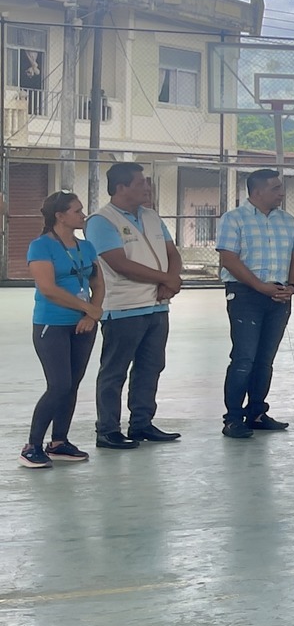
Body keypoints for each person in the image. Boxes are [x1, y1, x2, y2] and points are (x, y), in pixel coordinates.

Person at [85, 163, 182, 449]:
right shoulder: (101, 221)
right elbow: (119, 263)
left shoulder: (151, 216)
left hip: (157, 306)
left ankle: (141, 423)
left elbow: (172, 253)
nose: (147, 188)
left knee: (151, 367)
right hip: (124, 307)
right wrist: (165, 279)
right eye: (141, 183)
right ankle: (108, 430)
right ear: (121, 187)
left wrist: (170, 280)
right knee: (114, 371)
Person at [216, 167, 294, 439]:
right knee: (244, 358)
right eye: (276, 188)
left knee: (265, 359)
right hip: (246, 295)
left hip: (279, 296)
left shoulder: (287, 220)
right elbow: (229, 259)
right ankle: (233, 419)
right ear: (257, 191)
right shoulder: (234, 219)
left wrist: (292, 287)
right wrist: (260, 286)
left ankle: (257, 412)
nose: (282, 193)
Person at [22, 191, 102, 467]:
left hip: (83, 324)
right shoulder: (41, 246)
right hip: (52, 324)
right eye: (77, 211)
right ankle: (31, 447)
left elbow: (98, 282)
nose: (83, 215)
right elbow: (48, 289)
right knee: (58, 385)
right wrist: (88, 308)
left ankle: (59, 442)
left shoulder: (86, 247)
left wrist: (91, 313)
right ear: (60, 216)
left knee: (72, 385)